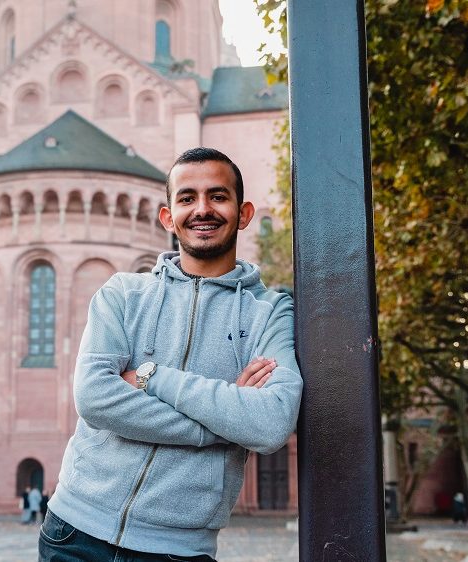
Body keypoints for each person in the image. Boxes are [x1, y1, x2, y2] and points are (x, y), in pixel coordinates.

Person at [41, 147, 303, 561]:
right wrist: (224, 422)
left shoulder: (269, 312)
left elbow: (271, 423)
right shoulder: (124, 293)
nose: (202, 209)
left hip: (178, 550)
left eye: (218, 196)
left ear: (244, 212)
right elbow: (94, 398)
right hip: (74, 533)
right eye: (187, 198)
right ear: (168, 217)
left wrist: (150, 376)